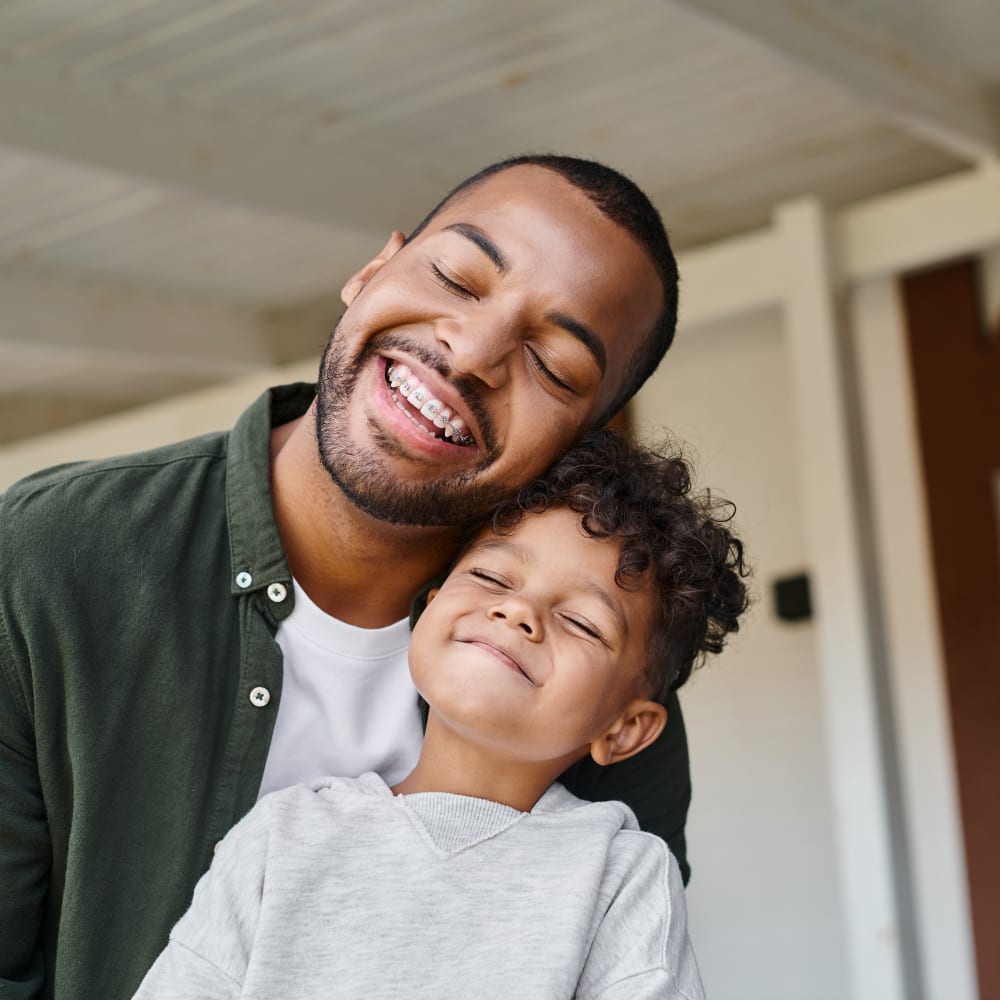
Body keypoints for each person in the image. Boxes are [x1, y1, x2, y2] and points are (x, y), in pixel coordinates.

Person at [0, 155, 687, 1000]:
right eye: (458, 277)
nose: (469, 353)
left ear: (585, 441)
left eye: (554, 366)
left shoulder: (585, 688)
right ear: (372, 270)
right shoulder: (49, 555)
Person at [134, 429, 748, 1000]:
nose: (518, 613)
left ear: (624, 729)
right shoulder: (283, 835)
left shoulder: (621, 873)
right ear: (426, 613)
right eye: (489, 576)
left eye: (581, 622)